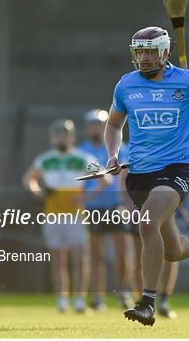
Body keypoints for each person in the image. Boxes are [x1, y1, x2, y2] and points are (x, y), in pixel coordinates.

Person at [104, 26, 189, 326]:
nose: (145, 57)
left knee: (148, 224)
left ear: (165, 51)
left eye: (151, 51)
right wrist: (113, 155)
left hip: (176, 169)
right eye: (140, 51)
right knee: (174, 250)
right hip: (138, 173)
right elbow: (114, 125)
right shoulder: (126, 85)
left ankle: (147, 302)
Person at [23, 119, 102, 313]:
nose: (61, 137)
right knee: (58, 259)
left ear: (72, 136)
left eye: (65, 134)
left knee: (80, 258)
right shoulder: (45, 159)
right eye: (58, 134)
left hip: (76, 215)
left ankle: (79, 300)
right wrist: (39, 193)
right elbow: (29, 179)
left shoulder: (82, 158)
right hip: (53, 215)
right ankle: (61, 299)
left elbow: (103, 177)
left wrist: (88, 196)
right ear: (52, 137)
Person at [78, 109, 135, 311]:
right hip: (93, 208)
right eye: (92, 125)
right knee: (96, 255)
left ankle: (123, 292)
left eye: (100, 124)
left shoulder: (120, 148)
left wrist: (127, 201)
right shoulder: (81, 151)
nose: (96, 128)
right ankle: (98, 297)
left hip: (116, 205)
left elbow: (126, 177)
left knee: (122, 252)